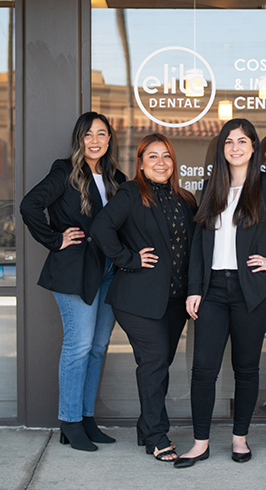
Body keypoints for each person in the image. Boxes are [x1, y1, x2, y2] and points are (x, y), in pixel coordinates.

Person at [174, 118, 266, 468]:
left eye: (242, 141)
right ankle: (200, 443)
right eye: (228, 142)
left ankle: (239, 439)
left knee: (246, 369)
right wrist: (194, 289)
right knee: (203, 370)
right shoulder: (211, 187)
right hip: (212, 291)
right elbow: (197, 245)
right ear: (222, 149)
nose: (235, 147)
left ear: (254, 147)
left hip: (252, 290)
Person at [20, 112, 126, 451]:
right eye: (88, 134)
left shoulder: (115, 177)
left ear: (109, 139)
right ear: (79, 139)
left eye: (102, 134)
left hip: (109, 271)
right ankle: (69, 421)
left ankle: (86, 417)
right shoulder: (64, 171)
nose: (95, 140)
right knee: (79, 347)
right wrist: (54, 239)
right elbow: (29, 205)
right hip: (74, 270)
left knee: (97, 348)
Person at [91, 133, 197, 462]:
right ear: (140, 163)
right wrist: (129, 259)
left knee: (159, 364)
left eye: (166, 156)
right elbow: (100, 229)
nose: (161, 162)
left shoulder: (185, 199)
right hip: (137, 299)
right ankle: (156, 436)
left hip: (175, 300)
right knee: (153, 363)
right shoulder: (131, 193)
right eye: (152, 157)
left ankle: (144, 426)